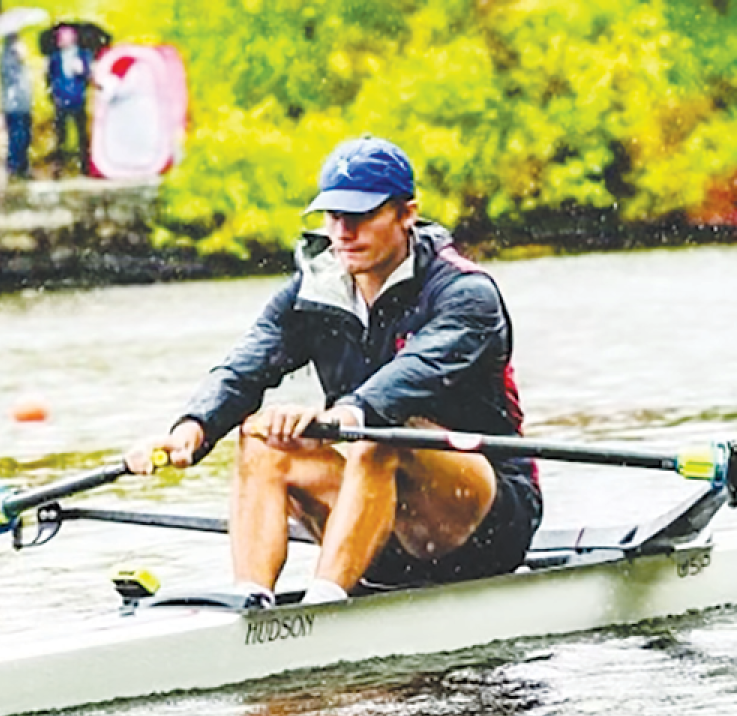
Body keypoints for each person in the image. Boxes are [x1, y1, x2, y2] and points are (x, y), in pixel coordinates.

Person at [124, 136, 542, 607]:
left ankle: (323, 606)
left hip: (485, 523)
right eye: (333, 216)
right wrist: (193, 427)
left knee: (382, 435)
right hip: (389, 527)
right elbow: (248, 363)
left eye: (361, 216)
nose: (343, 232)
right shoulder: (316, 291)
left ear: (407, 213)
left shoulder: (464, 293)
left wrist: (345, 415)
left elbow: (415, 372)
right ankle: (251, 604)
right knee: (262, 438)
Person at [46, 26, 92, 176]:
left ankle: (85, 167)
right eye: (60, 38)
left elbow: (89, 76)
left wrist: (82, 71)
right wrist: (53, 94)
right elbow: (49, 78)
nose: (62, 41)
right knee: (60, 136)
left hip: (78, 99)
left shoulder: (83, 55)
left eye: (65, 38)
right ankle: (59, 168)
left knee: (82, 135)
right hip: (61, 100)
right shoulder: (54, 58)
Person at [0, 36, 33, 180]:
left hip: (24, 103)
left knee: (25, 135)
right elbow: (9, 78)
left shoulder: (19, 59)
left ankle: (23, 165)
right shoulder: (7, 57)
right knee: (16, 135)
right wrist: (19, 59)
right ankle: (14, 167)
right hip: (12, 104)